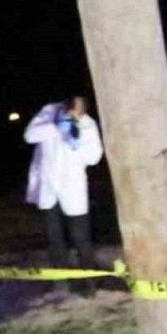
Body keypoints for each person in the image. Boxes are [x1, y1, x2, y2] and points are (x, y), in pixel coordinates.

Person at [24, 96, 104, 291]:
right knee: (53, 235)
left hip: (72, 185)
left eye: (77, 115)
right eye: (70, 112)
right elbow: (29, 136)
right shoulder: (49, 112)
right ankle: (62, 277)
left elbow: (94, 157)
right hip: (48, 185)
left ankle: (89, 279)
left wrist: (75, 142)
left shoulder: (87, 124)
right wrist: (55, 127)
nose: (72, 116)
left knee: (80, 235)